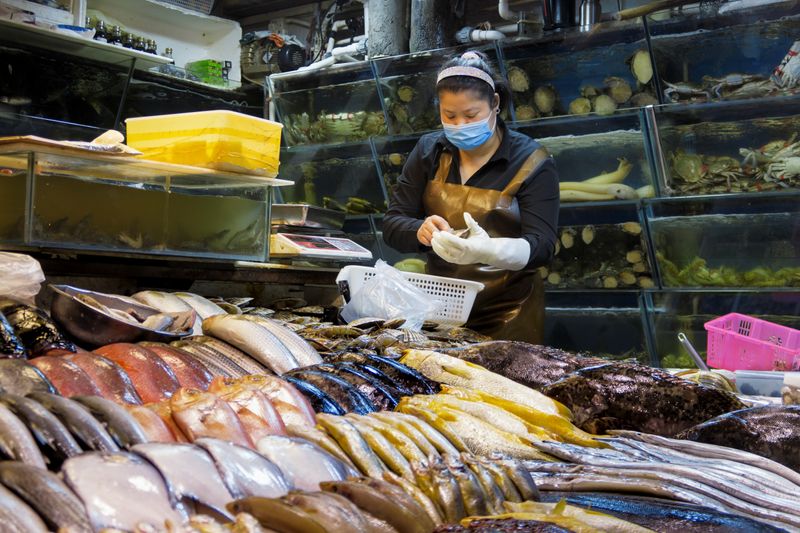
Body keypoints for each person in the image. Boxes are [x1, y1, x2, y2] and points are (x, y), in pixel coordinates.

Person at [383, 51, 559, 343]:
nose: (460, 125)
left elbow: (542, 246)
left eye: (471, 115)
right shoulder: (429, 152)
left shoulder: (532, 162)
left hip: (509, 316)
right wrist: (420, 230)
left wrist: (487, 251)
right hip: (440, 312)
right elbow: (392, 224)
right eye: (449, 115)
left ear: (495, 104)